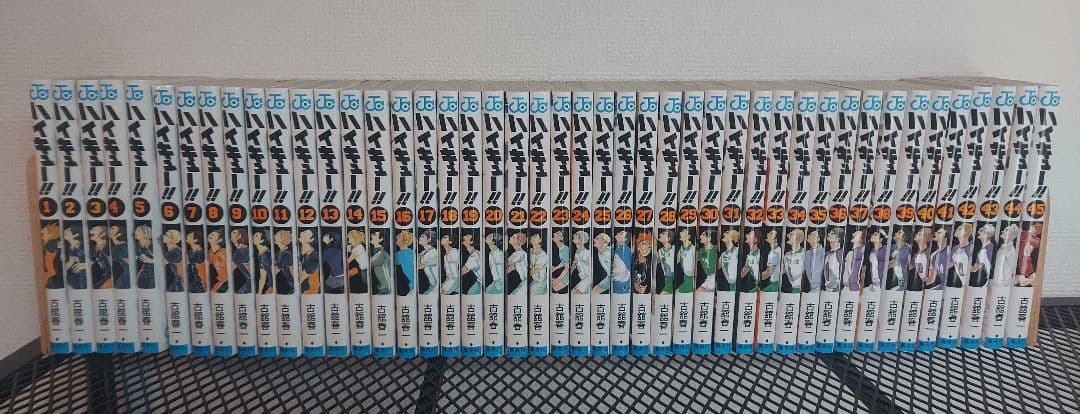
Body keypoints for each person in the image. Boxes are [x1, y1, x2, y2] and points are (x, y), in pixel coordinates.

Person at [949, 224, 973, 289]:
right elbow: (951, 263)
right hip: (959, 281)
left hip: (968, 281)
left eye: (960, 229)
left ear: (966, 232)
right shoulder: (955, 248)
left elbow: (972, 266)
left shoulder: (971, 248)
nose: (957, 230)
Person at [297, 229, 320, 295]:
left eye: (305, 233)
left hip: (305, 291)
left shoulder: (315, 258)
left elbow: (300, 279)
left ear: (311, 239)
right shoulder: (299, 250)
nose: (301, 232)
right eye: (303, 231)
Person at [781, 229, 805, 294]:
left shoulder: (803, 253)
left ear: (798, 239)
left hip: (800, 289)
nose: (789, 236)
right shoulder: (787, 255)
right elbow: (783, 271)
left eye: (792, 234)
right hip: (789, 288)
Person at [41, 224, 64, 289]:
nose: (42, 230)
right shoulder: (46, 244)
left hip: (50, 275)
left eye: (45, 230)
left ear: (51, 235)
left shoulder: (51, 244)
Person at [90, 225, 113, 290]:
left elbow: (113, 267)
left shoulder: (108, 247)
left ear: (103, 234)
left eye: (94, 230)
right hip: (97, 276)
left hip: (105, 279)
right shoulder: (94, 247)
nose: (90, 231)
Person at [368, 231, 391, 295]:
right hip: (382, 289)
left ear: (381, 239)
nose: (371, 235)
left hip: (387, 290)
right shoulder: (376, 252)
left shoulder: (382, 253)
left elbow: (368, 264)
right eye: (372, 234)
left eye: (374, 234)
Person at [133, 225, 155, 289]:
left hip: (151, 276)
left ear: (146, 234)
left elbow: (163, 261)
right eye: (136, 230)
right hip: (140, 274)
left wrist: (149, 260)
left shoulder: (153, 246)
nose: (135, 232)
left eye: (138, 231)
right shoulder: (136, 245)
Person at [910, 227, 932, 292]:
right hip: (917, 286)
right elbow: (911, 268)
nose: (916, 234)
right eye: (918, 233)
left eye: (919, 234)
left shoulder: (929, 253)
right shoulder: (915, 254)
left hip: (926, 288)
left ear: (925, 239)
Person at [346, 230, 368, 294]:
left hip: (363, 270)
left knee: (363, 284)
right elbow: (347, 248)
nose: (347, 237)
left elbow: (349, 260)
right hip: (360, 268)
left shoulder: (359, 247)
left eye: (349, 236)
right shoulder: (353, 246)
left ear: (354, 238)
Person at [231, 229, 252, 294]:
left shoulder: (244, 250)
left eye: (234, 232)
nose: (231, 233)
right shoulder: (233, 249)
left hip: (247, 281)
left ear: (240, 235)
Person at [739, 229, 761, 293]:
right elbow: (744, 271)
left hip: (753, 288)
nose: (746, 235)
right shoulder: (750, 254)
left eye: (750, 234)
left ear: (755, 239)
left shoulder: (756, 255)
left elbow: (743, 273)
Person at [109, 225, 130, 289]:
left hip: (124, 280)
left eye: (113, 228)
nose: (109, 229)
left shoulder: (123, 247)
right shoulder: (115, 247)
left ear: (119, 234)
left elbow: (128, 265)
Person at [417, 230, 438, 295]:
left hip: (435, 286)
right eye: (420, 236)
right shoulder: (424, 252)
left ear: (429, 240)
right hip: (432, 285)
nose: (420, 237)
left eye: (422, 236)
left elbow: (418, 266)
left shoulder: (433, 252)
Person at [394, 230, 415, 296]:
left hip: (411, 288)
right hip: (404, 287)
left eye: (399, 235)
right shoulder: (397, 254)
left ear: (405, 240)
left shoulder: (411, 252)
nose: (396, 237)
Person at [675, 228, 695, 294]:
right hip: (683, 278)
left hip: (690, 279)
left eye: (683, 231)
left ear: (689, 236)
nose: (680, 233)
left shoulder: (693, 249)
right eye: (681, 231)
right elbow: (677, 262)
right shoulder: (681, 249)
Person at [760, 228, 781, 292]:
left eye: (771, 234)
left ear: (776, 240)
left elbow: (768, 272)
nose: (767, 234)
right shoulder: (778, 249)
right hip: (775, 284)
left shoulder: (774, 253)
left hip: (773, 286)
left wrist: (754, 278)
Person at [654, 229, 675, 295]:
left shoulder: (675, 248)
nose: (660, 234)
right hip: (665, 279)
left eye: (663, 234)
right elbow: (655, 264)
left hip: (673, 278)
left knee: (663, 294)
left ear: (668, 238)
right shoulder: (660, 251)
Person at [550, 230, 571, 294]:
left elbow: (567, 268)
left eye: (558, 233)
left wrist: (558, 279)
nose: (554, 233)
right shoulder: (561, 248)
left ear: (562, 238)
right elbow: (564, 262)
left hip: (568, 275)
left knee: (553, 289)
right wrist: (555, 268)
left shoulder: (565, 250)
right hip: (566, 273)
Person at [208, 229, 228, 293]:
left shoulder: (224, 252)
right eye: (211, 234)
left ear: (219, 240)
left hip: (225, 282)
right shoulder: (209, 252)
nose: (211, 235)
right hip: (215, 281)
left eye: (214, 235)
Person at [252, 230, 272, 294]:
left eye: (256, 236)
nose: (253, 236)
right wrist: (259, 292)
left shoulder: (267, 254)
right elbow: (262, 276)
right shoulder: (261, 253)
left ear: (262, 241)